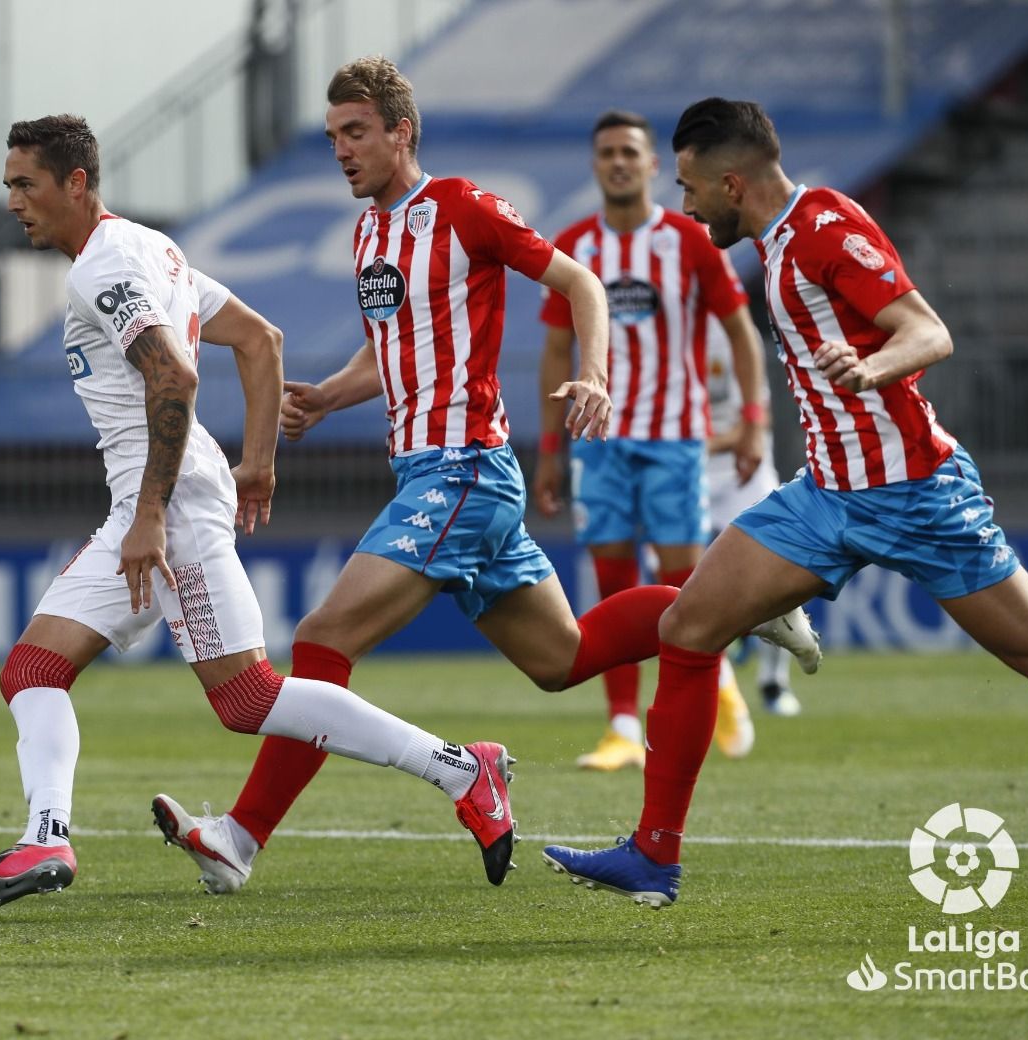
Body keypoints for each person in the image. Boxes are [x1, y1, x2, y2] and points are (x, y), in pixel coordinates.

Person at [152, 58, 820, 895]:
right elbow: (390, 348)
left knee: (323, 640)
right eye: (332, 138)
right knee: (563, 657)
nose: (341, 151)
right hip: (440, 479)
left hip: (464, 471)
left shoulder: (464, 207)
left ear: (402, 131)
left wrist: (598, 374)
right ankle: (748, 601)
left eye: (356, 132)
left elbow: (579, 283)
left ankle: (242, 837)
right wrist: (328, 394)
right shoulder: (369, 234)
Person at [0, 114, 523, 911]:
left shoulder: (101, 268)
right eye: (8, 185)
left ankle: (460, 768)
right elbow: (261, 339)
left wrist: (151, 514)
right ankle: (46, 836)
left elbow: (174, 377)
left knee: (247, 698)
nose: (13, 201)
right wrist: (257, 465)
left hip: (165, 504)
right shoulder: (152, 248)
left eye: (25, 184)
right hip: (162, 497)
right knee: (34, 670)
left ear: (76, 183)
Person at [542, 98, 1028, 908]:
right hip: (825, 494)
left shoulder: (823, 228)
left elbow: (927, 330)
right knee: (689, 626)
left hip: (914, 493)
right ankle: (653, 857)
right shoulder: (774, 243)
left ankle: (746, 621)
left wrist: (872, 367)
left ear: (733, 183)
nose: (685, 204)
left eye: (691, 188)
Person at [534, 109, 773, 771]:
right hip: (597, 435)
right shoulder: (576, 245)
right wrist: (550, 451)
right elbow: (556, 351)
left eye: (629, 152)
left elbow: (739, 331)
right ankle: (618, 727)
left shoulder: (687, 239)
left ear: (649, 166)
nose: (618, 162)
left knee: (684, 579)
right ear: (595, 164)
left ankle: (714, 682)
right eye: (607, 151)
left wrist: (753, 418)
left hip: (674, 435)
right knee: (612, 576)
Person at [702, 314, 802, 717]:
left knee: (783, 566)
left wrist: (694, 443)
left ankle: (774, 683)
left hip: (742, 471)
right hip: (682, 473)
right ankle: (712, 675)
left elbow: (758, 422)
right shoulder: (656, 333)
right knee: (670, 582)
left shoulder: (734, 333)